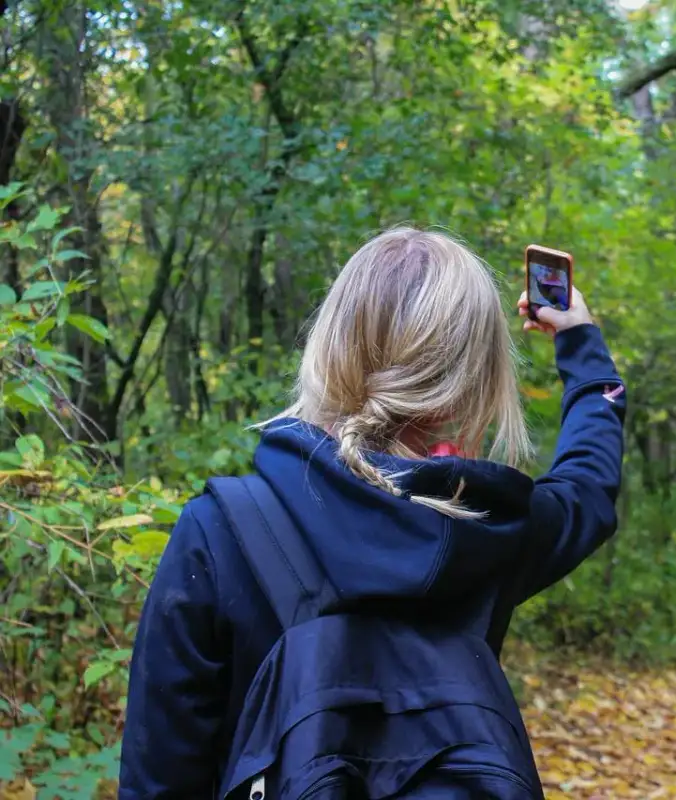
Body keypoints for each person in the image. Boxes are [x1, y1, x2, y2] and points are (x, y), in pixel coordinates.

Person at [118, 227, 626, 797]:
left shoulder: (220, 532)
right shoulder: (489, 529)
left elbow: (159, 778)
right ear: (470, 378)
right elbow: (588, 484)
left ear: (332, 342)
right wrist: (582, 345)